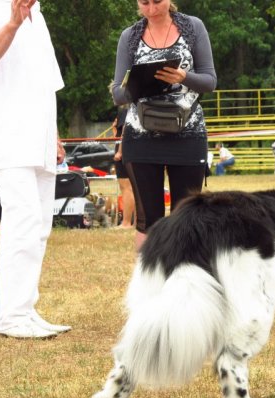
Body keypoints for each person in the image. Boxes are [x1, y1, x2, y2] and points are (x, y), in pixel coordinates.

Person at [0, 0, 71, 338]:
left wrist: (53, 136)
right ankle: (9, 317)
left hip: (36, 136)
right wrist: (11, 23)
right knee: (22, 216)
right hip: (4, 133)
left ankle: (24, 308)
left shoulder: (37, 15)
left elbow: (45, 83)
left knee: (38, 223)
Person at [110, 0, 217, 250]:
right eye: (144, 3)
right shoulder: (130, 36)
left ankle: (187, 285)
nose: (151, 9)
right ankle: (148, 286)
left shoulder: (193, 27)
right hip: (140, 137)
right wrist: (141, 83)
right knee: (148, 221)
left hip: (188, 134)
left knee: (188, 219)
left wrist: (184, 77)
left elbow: (210, 80)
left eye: (157, 1)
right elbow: (117, 93)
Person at [111, 108, 136, 229]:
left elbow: (125, 131)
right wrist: (114, 128)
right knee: (136, 188)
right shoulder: (137, 106)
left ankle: (126, 223)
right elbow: (117, 134)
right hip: (134, 149)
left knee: (126, 188)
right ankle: (137, 222)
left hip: (125, 151)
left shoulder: (126, 110)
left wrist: (120, 151)